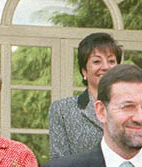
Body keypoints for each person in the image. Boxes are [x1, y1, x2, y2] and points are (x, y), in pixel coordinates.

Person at [48, 32, 122, 160]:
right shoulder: (62, 110)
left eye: (111, 61)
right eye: (97, 61)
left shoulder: (131, 107)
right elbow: (58, 162)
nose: (105, 67)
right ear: (84, 71)